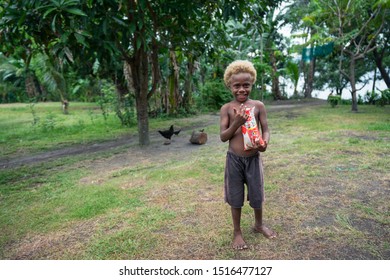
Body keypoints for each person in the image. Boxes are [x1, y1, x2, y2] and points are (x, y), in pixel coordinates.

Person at [220, 60, 276, 250]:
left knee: (257, 194)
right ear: (230, 85)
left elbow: (266, 129)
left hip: (253, 158)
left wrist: (265, 142)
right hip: (234, 160)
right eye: (237, 86)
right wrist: (236, 122)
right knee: (235, 197)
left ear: (252, 84)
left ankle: (259, 224)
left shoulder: (258, 106)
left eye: (246, 85)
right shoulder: (227, 109)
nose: (242, 89)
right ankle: (237, 232)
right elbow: (223, 136)